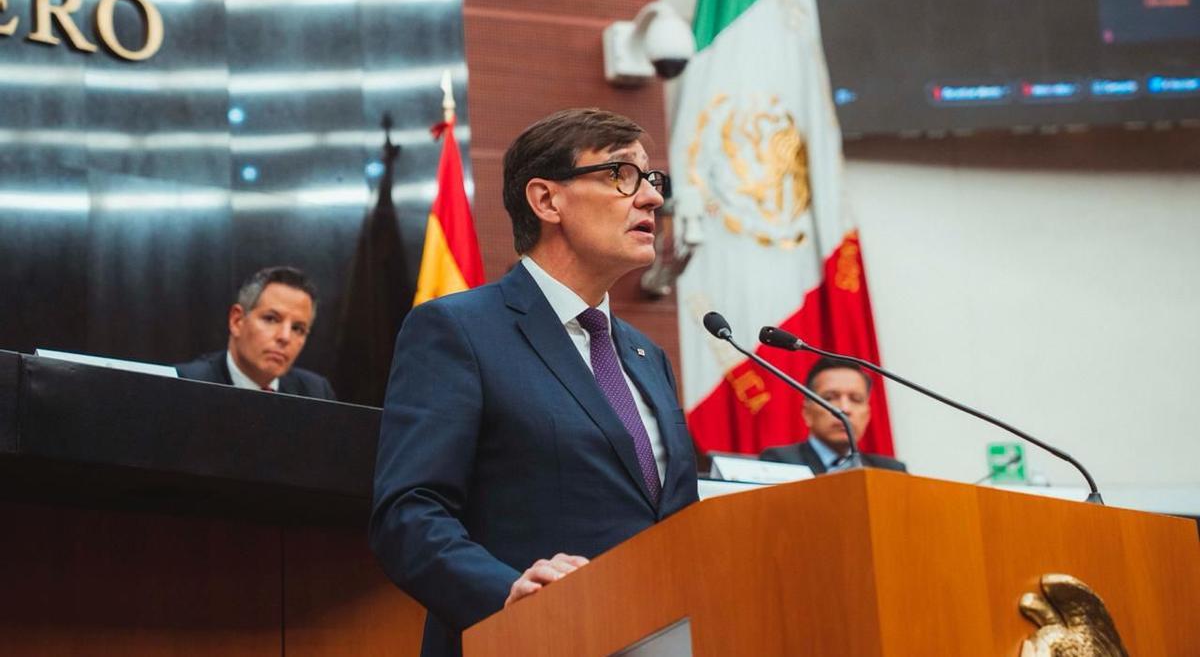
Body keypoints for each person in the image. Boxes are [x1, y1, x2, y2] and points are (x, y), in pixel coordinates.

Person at [369, 109, 699, 657]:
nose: (650, 199)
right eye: (622, 175)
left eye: (652, 179)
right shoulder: (459, 331)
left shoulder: (648, 356)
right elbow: (408, 513)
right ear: (546, 200)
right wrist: (508, 594)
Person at [175, 266, 335, 400]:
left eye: (297, 328)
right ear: (237, 321)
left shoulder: (316, 392)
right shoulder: (183, 384)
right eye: (271, 319)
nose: (285, 337)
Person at [759, 357, 905, 474]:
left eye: (855, 399)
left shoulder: (891, 471)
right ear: (807, 413)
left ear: (867, 415)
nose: (844, 409)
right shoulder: (779, 463)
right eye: (830, 398)